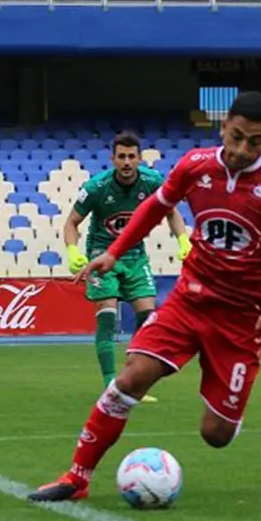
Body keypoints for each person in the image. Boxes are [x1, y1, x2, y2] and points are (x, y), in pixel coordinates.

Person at [28, 92, 261, 502]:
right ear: (223, 127)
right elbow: (153, 207)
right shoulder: (195, 166)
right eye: (235, 136)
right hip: (189, 300)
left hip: (241, 318)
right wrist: (114, 251)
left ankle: (224, 391)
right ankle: (77, 477)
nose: (240, 149)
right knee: (129, 379)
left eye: (254, 141)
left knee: (216, 434)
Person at [64, 131, 191, 403]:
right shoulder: (97, 188)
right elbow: (71, 223)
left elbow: (172, 212)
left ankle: (131, 380)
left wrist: (183, 239)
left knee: (147, 320)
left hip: (135, 256)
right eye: (121, 156)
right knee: (107, 318)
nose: (126, 162)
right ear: (112, 159)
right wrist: (73, 250)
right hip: (102, 255)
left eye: (131, 156)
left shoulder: (153, 182)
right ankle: (110, 384)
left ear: (140, 159)